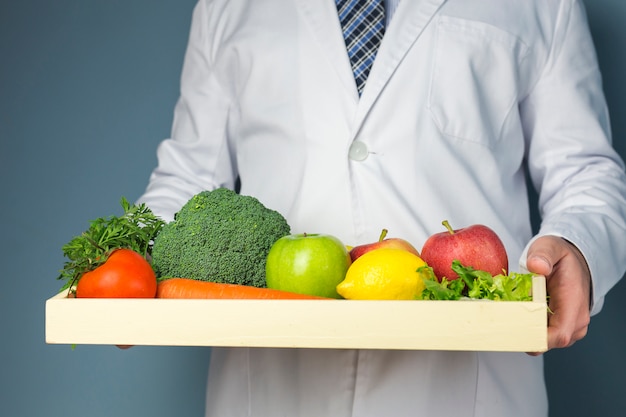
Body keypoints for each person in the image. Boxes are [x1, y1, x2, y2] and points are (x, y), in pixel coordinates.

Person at [137, 0, 626, 416]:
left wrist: (581, 248)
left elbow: (584, 171)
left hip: (466, 390)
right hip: (271, 386)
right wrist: (127, 265)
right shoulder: (225, 7)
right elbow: (189, 178)